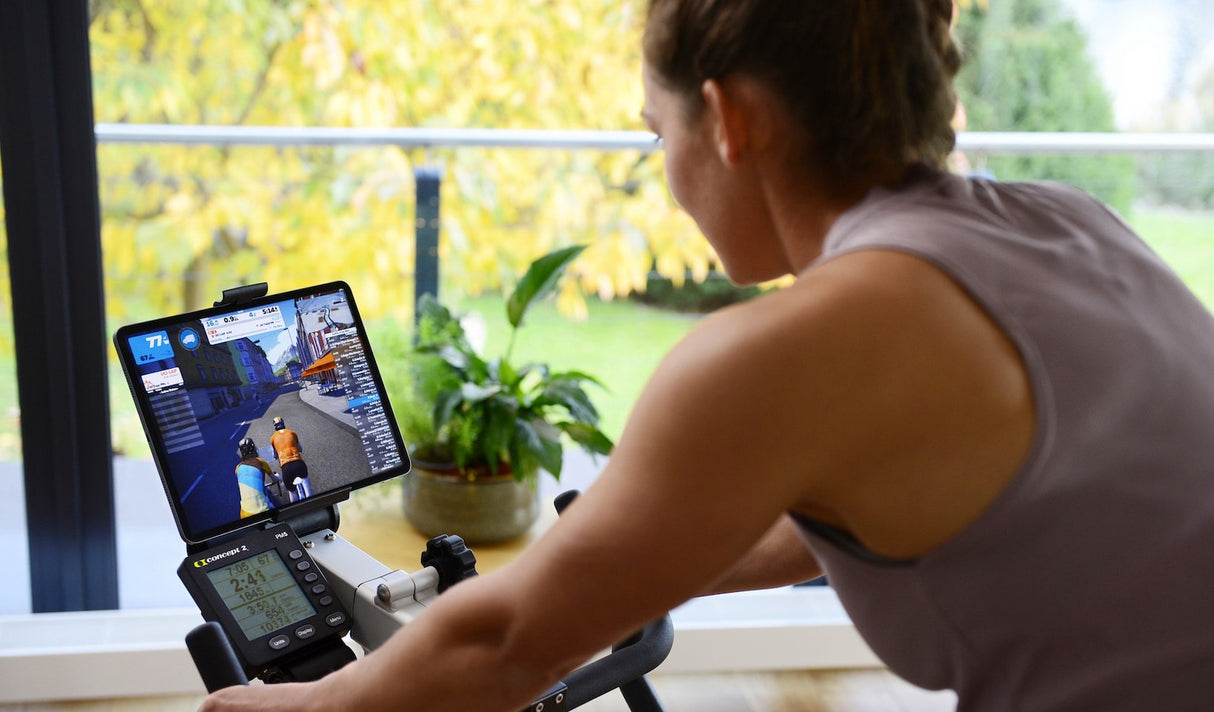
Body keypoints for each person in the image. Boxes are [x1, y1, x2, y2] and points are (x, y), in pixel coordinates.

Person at [202, 1, 1214, 710]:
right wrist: (626, 565)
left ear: (728, 119)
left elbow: (506, 648)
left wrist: (317, 707)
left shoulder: (794, 346)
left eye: (656, 133)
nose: (663, 170)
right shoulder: (1066, 224)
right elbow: (862, 509)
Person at [269, 416, 312, 500]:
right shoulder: (292, 433)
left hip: (286, 467)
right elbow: (300, 449)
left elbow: (274, 455)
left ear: (275, 426)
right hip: (299, 463)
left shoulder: (273, 438)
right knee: (306, 485)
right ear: (283, 424)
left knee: (292, 492)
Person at [234, 438, 273, 519]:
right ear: (254, 448)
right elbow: (274, 478)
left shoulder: (238, 468)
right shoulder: (260, 462)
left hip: (245, 514)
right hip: (263, 510)